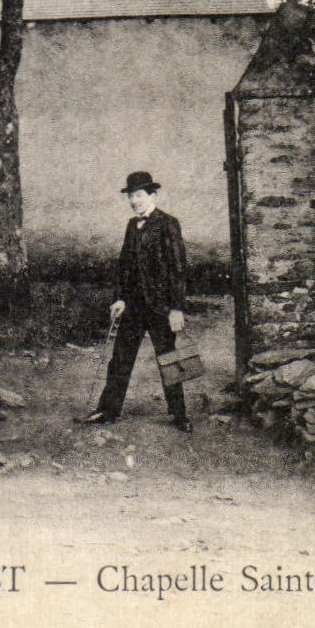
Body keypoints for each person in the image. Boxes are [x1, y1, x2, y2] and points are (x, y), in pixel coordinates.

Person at [75, 171, 192, 432]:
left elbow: (178, 269)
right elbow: (124, 266)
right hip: (134, 307)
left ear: (153, 195)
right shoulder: (131, 225)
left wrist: (176, 308)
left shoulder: (168, 224)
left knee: (168, 358)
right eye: (130, 196)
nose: (133, 201)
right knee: (120, 359)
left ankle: (179, 414)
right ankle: (108, 410)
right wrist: (119, 298)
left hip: (161, 307)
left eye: (138, 195)